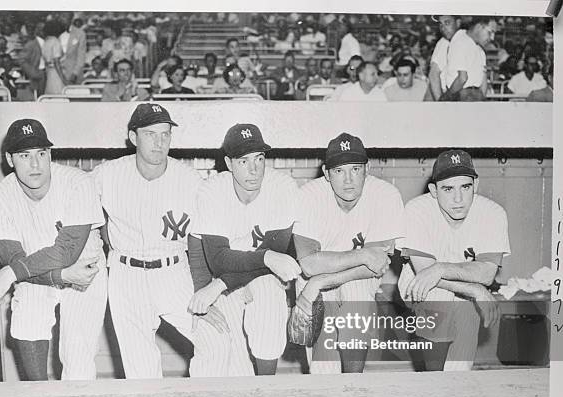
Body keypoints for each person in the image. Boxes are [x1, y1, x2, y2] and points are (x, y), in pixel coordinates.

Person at [91, 103, 227, 378]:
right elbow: (82, 211)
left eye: (165, 134)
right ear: (133, 137)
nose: (159, 142)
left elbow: (203, 238)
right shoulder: (107, 174)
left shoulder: (189, 179)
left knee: (216, 339)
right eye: (151, 134)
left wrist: (204, 289)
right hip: (126, 275)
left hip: (174, 270)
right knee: (140, 371)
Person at [0, 119, 107, 381]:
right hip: (34, 272)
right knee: (26, 325)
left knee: (77, 358)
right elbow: (15, 260)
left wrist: (8, 274)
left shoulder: (78, 183)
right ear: (10, 159)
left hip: (84, 272)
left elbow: (68, 250)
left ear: (50, 154)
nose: (35, 164)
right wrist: (55, 276)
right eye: (24, 155)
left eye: (41, 154)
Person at [188, 124, 301, 376]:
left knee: (269, 298)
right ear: (228, 163)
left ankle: (268, 385)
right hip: (221, 275)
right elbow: (216, 259)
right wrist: (207, 288)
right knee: (224, 355)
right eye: (243, 161)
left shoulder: (282, 186)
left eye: (259, 159)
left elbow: (276, 253)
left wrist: (219, 285)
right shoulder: (212, 189)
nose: (254, 169)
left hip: (256, 277)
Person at [293, 133, 404, 374]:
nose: (348, 180)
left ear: (368, 169)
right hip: (310, 281)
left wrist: (321, 281)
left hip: (350, 280)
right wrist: (362, 255)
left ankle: (354, 384)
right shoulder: (308, 196)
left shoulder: (386, 195)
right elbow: (309, 265)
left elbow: (377, 264)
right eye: (339, 171)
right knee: (324, 370)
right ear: (326, 172)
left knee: (358, 302)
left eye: (355, 169)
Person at [398, 150, 510, 371]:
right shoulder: (417, 210)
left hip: (461, 286)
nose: (458, 199)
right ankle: (434, 378)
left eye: (465, 187)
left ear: (475, 186)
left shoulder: (493, 213)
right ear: (434, 190)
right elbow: (425, 273)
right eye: (448, 189)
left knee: (460, 367)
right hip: (417, 283)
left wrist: (440, 268)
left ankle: (450, 387)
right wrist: (476, 290)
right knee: (437, 297)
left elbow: (486, 273)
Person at [441, 19, 492, 101]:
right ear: (478, 27)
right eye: (490, 33)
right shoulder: (462, 43)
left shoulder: (478, 49)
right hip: (471, 96)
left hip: (464, 96)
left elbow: (463, 79)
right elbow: (482, 84)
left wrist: (446, 97)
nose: (492, 38)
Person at [427, 15, 460, 101]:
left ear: (458, 23)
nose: (443, 28)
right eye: (441, 25)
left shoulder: (465, 41)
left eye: (447, 23)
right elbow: (433, 75)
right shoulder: (444, 43)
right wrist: (440, 102)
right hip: (442, 92)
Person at [18, 23, 45, 97]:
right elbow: (21, 60)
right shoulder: (31, 44)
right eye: (42, 29)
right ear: (37, 31)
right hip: (39, 76)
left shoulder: (50, 41)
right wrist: (34, 73)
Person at [42, 20, 67, 94]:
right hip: (56, 73)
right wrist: (63, 79)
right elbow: (56, 62)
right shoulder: (55, 41)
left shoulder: (46, 41)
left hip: (49, 72)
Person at [60, 16, 87, 85]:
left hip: (73, 73)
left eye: (65, 16)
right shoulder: (54, 32)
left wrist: (75, 73)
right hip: (57, 73)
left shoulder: (80, 34)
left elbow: (81, 56)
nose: (62, 19)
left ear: (70, 19)